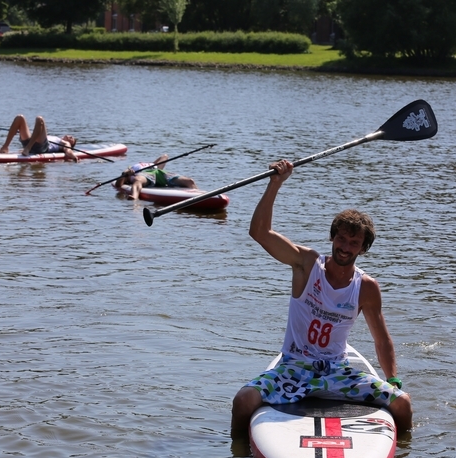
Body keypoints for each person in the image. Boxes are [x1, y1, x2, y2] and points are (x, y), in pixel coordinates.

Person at [230, 159, 413, 439]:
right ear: (333, 237)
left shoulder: (366, 287)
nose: (345, 247)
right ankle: (241, 457)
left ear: (363, 249)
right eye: (341, 239)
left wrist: (393, 380)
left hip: (336, 371)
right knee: (243, 401)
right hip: (294, 366)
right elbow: (259, 233)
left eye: (354, 243)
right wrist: (275, 184)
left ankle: (400, 457)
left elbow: (381, 339)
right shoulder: (306, 264)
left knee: (403, 404)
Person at [114, 154, 198, 200]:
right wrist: (126, 173)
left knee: (190, 181)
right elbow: (118, 184)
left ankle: (199, 197)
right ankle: (134, 196)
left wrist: (154, 163)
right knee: (138, 179)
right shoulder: (130, 169)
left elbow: (164, 157)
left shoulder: (153, 164)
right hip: (144, 174)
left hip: (160, 172)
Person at [0, 115, 77, 161]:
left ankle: (28, 148)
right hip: (31, 141)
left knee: (40, 119)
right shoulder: (55, 137)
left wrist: (74, 157)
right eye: (71, 136)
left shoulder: (65, 143)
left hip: (41, 147)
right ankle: (5, 147)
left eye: (72, 139)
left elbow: (68, 150)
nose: (70, 136)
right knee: (19, 118)